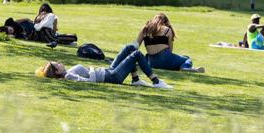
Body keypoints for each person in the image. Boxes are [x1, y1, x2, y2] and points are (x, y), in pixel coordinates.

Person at [35, 44, 171, 89]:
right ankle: (156, 81)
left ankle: (136, 80)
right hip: (111, 77)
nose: (59, 62)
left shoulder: (68, 72)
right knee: (136, 54)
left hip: (108, 71)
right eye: (57, 64)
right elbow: (89, 81)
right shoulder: (68, 76)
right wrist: (92, 69)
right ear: (57, 71)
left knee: (129, 48)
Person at [136, 13, 204, 72]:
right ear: (165, 22)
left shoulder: (145, 29)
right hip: (165, 57)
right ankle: (185, 67)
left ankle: (140, 65)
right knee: (186, 58)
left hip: (152, 62)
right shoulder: (167, 30)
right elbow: (170, 50)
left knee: (147, 56)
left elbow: (136, 45)